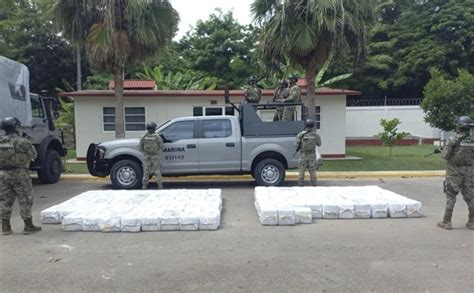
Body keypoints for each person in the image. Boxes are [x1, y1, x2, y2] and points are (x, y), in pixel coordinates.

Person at [1, 117, 41, 235]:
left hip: (3, 174)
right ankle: (28, 226)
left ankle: (5, 227)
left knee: (4, 200)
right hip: (20, 174)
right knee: (25, 199)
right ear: (16, 127)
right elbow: (34, 155)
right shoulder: (22, 141)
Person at [436, 116, 474, 230]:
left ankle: (446, 222)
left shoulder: (453, 139)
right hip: (470, 173)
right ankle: (472, 222)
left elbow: (445, 156)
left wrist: (442, 150)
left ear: (458, 126)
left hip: (454, 173)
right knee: (471, 197)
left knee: (451, 196)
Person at [295, 119, 322, 186]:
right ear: (313, 126)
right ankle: (314, 184)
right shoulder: (316, 135)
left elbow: (296, 145)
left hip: (303, 155)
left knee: (301, 171)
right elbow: (319, 144)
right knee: (312, 171)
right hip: (312, 155)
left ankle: (301, 184)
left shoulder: (300, 134)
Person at [140, 121, 163, 189]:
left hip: (146, 156)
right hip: (155, 156)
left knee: (146, 172)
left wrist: (145, 152)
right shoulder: (157, 137)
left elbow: (141, 146)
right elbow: (161, 145)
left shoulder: (144, 137)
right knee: (157, 172)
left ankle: (144, 186)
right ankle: (160, 186)